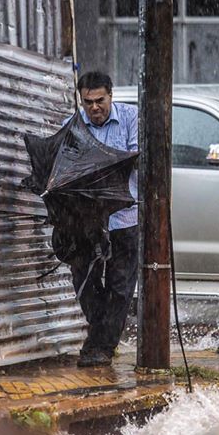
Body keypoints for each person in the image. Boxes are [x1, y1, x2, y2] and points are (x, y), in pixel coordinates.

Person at [69, 71, 138, 367]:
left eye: (100, 101)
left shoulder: (131, 118)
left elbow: (135, 157)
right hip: (85, 222)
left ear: (111, 95)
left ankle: (102, 347)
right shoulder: (72, 127)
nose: (94, 108)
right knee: (84, 280)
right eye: (88, 103)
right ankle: (99, 334)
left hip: (124, 217)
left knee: (121, 285)